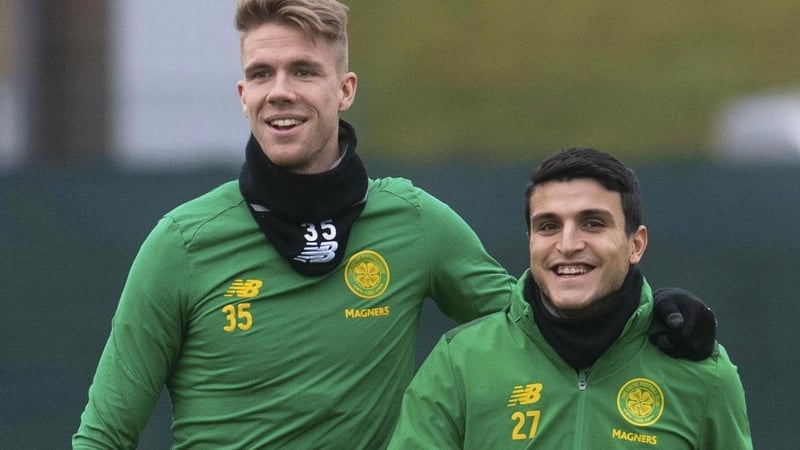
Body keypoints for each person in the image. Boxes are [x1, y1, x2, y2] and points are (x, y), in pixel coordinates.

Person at [73, 2, 717, 448]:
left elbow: (537, 318)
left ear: (344, 88)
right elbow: (105, 433)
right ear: (242, 95)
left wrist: (654, 312)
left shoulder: (411, 222)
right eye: (260, 74)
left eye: (304, 71)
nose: (280, 91)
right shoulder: (182, 242)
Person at [388, 147, 752, 449]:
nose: (567, 244)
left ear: (635, 244)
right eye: (548, 226)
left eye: (592, 223)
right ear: (531, 240)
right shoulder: (459, 365)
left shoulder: (704, 375)